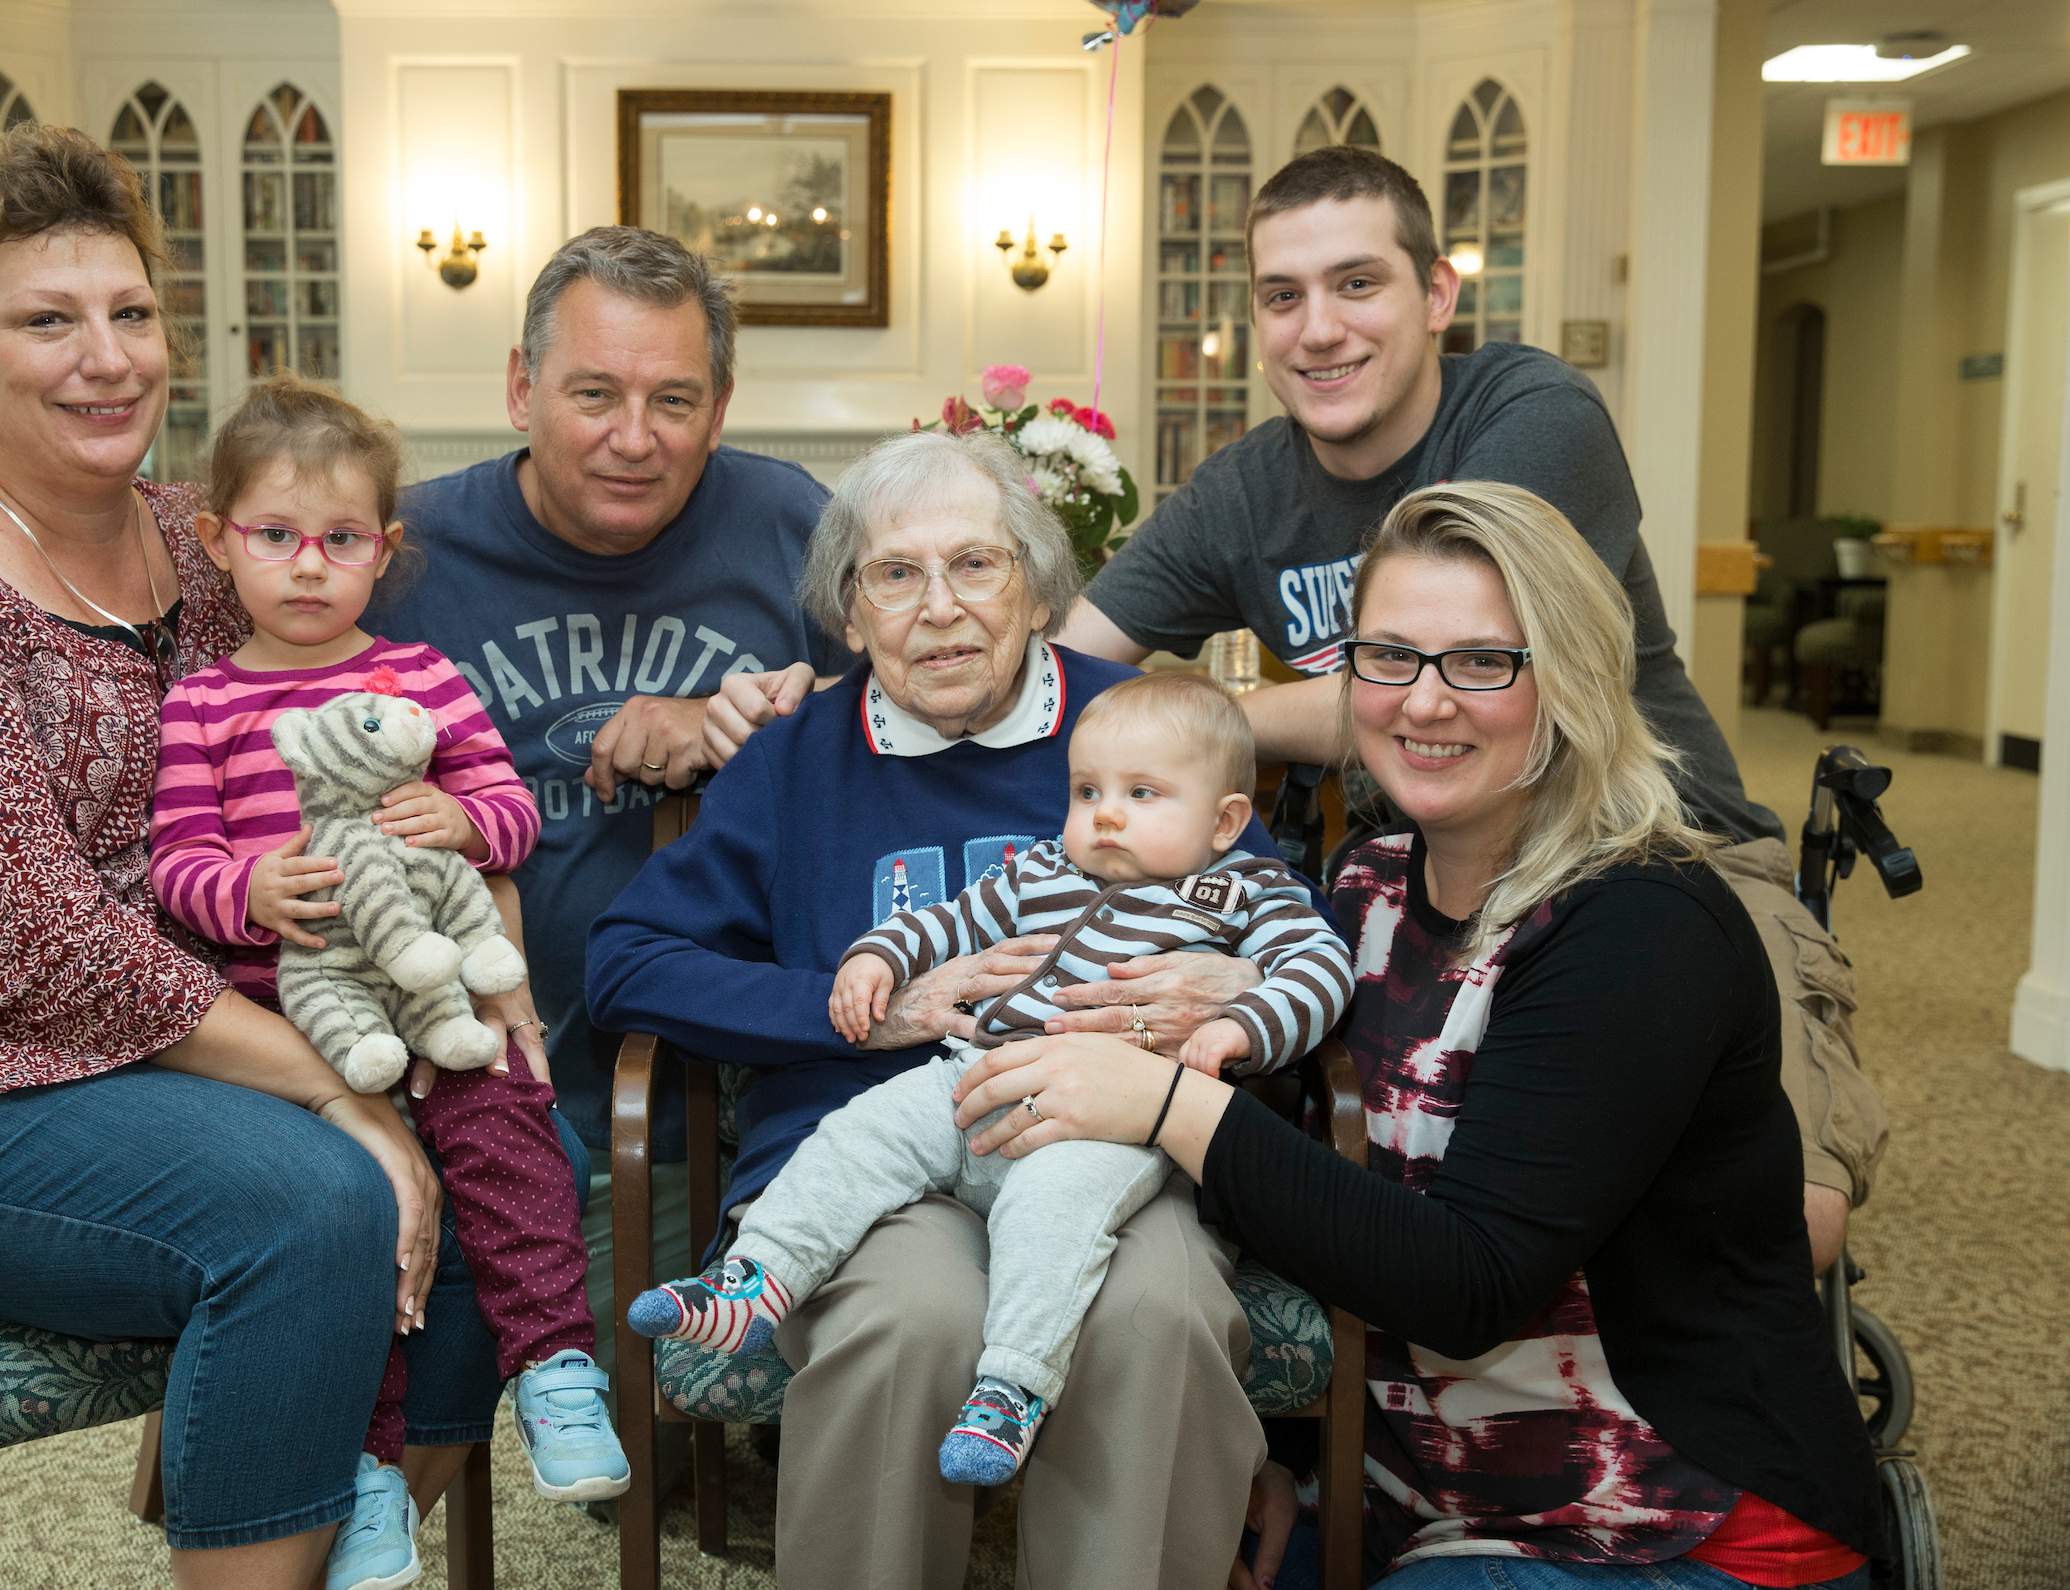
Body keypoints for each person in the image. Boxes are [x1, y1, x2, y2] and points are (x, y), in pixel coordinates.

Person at [709, 144, 1882, 1272]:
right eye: (1282, 295)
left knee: (1783, 1224)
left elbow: (1443, 691)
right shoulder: (1244, 490)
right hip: (1423, 880)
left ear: (1437, 293)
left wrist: (1209, 728)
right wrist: (865, 685)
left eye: (1357, 284)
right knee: (1359, 1173)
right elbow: (1053, 666)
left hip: (1665, 846)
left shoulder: (1533, 414)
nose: (1317, 328)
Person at [0, 125, 524, 1590]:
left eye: (132, 313)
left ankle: (338, 1523)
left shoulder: (204, 536)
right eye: (46, 319)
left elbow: (353, 715)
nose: (108, 358)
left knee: (489, 1121)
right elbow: (30, 952)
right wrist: (345, 1097)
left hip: (162, 1044)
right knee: (313, 1200)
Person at [951, 482, 1880, 1589]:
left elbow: (1465, 1286)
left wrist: (1164, 1103)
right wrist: (1271, 1448)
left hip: (1671, 1524)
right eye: (1388, 656)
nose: (1422, 702)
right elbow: (1312, 1193)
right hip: (1406, 1496)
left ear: (1571, 679)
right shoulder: (1365, 890)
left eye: (1483, 662)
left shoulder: (1641, 925)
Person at [588, 428, 1294, 1588]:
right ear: (850, 618)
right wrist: (861, 1008)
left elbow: (1280, 922)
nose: (942, 608)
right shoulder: (794, 757)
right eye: (896, 576)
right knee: (907, 1321)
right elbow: (626, 960)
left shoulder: (1147, 731)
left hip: (1109, 1151)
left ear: (1037, 586)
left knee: (1157, 1314)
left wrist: (1236, 980)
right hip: (875, 1155)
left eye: (977, 564)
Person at [626, 669, 1351, 1495]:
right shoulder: (1045, 870)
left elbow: (1320, 970)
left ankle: (1011, 1387)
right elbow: (947, 920)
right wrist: (876, 957)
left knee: (1056, 1218)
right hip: (977, 1075)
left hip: (1107, 1121)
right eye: (1086, 791)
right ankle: (756, 1280)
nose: (1106, 813)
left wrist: (1239, 1023)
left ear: (1226, 821)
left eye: (1142, 793)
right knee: (861, 1133)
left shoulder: (1246, 892)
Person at [146, 373, 628, 1587]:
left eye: (342, 540)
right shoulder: (201, 704)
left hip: (427, 1001)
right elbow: (176, 865)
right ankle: (363, 1476)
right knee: (351, 1231)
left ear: (384, 548)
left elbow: (515, 812)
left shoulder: (420, 680)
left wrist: (459, 823)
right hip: (290, 1022)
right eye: (274, 537)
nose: (309, 567)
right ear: (217, 540)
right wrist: (244, 893)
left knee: (514, 1133)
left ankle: (557, 1367)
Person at [369, 227, 854, 1355]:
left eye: (674, 401)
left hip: (713, 1097)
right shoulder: (404, 556)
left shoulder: (792, 525)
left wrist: (776, 714)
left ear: (721, 409)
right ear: (519, 387)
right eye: (594, 393)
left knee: (653, 1397)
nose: (634, 439)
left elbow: (939, 723)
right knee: (404, 1388)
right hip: (466, 1083)